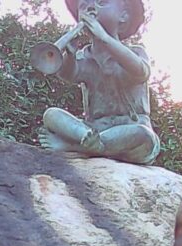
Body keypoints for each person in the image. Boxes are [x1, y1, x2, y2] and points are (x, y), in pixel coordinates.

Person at [38, 0, 160, 165]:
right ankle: (91, 144)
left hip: (129, 129)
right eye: (84, 5)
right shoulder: (85, 56)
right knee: (51, 115)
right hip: (92, 129)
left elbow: (141, 72)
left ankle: (77, 147)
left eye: (101, 2)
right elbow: (69, 74)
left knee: (144, 136)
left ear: (124, 16)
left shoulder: (136, 52)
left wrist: (104, 38)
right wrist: (70, 56)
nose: (90, 8)